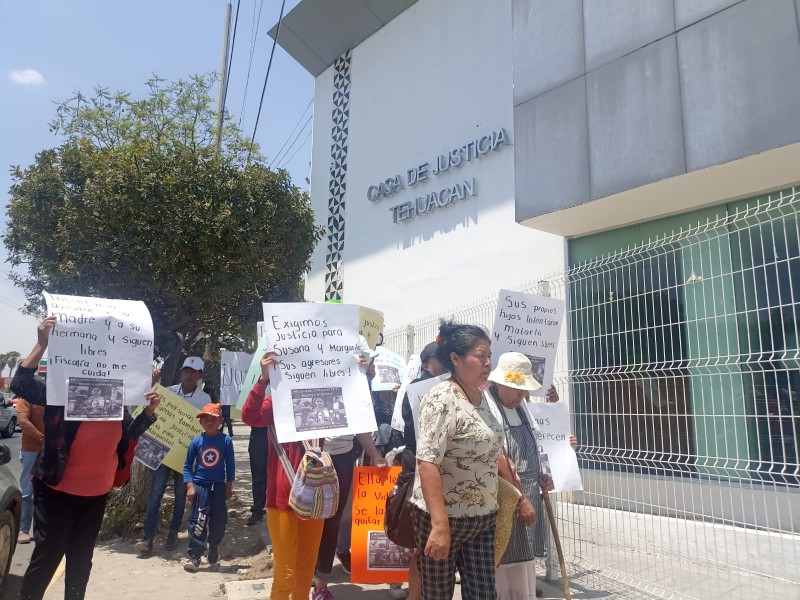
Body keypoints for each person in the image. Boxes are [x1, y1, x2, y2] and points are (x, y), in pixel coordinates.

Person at [12, 316, 160, 600]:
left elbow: (126, 435)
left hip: (96, 495)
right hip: (56, 491)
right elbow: (21, 383)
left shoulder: (116, 399)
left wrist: (148, 414)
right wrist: (42, 344)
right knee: (48, 557)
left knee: (81, 560)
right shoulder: (61, 394)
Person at [410, 320, 504, 600]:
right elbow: (427, 463)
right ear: (455, 358)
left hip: (482, 518)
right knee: (438, 594)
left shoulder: (483, 396)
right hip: (441, 518)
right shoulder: (441, 399)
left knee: (484, 594)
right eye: (480, 355)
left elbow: (493, 446)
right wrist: (440, 526)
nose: (488, 363)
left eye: (489, 356)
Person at [241, 350, 325, 600]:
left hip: (315, 496)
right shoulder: (275, 402)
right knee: (286, 572)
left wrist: (359, 376)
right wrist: (263, 379)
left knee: (305, 570)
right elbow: (249, 416)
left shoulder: (325, 398)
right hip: (282, 498)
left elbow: (356, 413)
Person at [486, 352, 555, 600]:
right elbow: (495, 456)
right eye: (516, 389)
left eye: (523, 390)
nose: (521, 395)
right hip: (505, 497)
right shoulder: (487, 406)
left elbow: (536, 444)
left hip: (529, 491)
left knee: (525, 561)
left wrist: (544, 474)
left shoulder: (523, 408)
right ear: (499, 383)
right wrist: (519, 498)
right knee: (504, 558)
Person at [136, 356, 211, 554]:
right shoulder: (167, 393)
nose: (189, 374)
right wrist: (152, 382)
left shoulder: (204, 400)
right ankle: (148, 537)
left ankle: (172, 534)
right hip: (163, 452)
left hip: (186, 456)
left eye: (194, 371)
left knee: (180, 496)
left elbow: (203, 428)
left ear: (200, 375)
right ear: (181, 372)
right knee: (155, 494)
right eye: (186, 370)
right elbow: (150, 412)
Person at [394, 341, 445, 600]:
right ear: (426, 364)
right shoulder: (418, 389)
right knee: (419, 544)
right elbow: (416, 432)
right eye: (440, 358)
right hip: (418, 469)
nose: (446, 361)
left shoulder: (450, 386)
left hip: (435, 469)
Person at [312, 427, 387, 600]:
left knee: (333, 521)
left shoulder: (352, 398)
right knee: (310, 519)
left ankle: (321, 586)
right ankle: (308, 569)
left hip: (342, 459)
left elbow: (360, 426)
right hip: (310, 455)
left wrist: (375, 455)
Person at [183, 403, 235, 572]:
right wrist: (190, 486)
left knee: (220, 520)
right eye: (205, 419)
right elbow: (187, 466)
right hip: (201, 487)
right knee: (198, 520)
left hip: (219, 487)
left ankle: (213, 546)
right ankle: (195, 555)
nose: (209, 422)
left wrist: (229, 485)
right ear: (201, 422)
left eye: (213, 419)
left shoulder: (226, 441)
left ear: (220, 420)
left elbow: (230, 465)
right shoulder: (196, 442)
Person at [16, 395, 45, 545]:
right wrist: (42, 438)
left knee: (50, 491)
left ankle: (42, 530)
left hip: (55, 450)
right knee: (27, 491)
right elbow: (23, 421)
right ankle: (23, 529)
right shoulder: (26, 398)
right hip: (32, 451)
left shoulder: (58, 396)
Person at [246, 423, 269, 526]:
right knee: (258, 476)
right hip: (260, 435)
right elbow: (245, 415)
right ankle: (258, 510)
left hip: (281, 433)